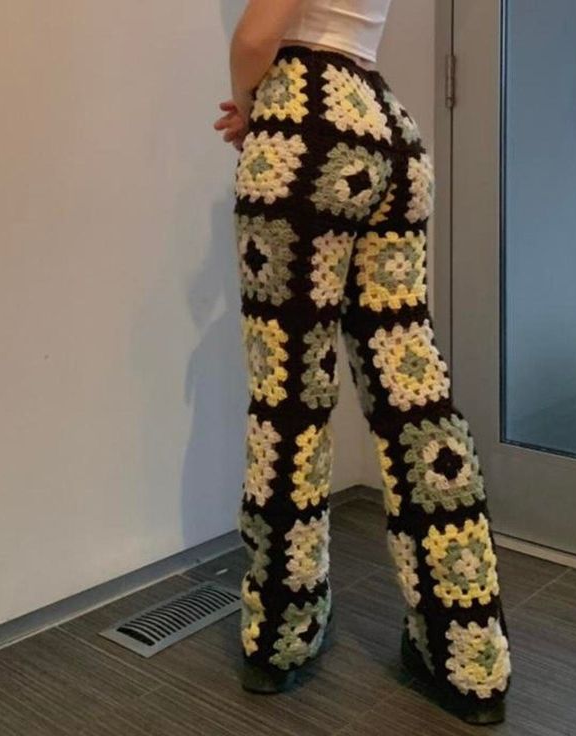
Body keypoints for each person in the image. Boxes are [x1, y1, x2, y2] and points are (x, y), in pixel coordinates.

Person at [213, 0, 512, 725]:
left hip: (305, 118)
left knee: (291, 399)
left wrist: (253, 108)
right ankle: (468, 653)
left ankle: (284, 634)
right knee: (415, 398)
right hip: (388, 129)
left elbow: (258, 34)